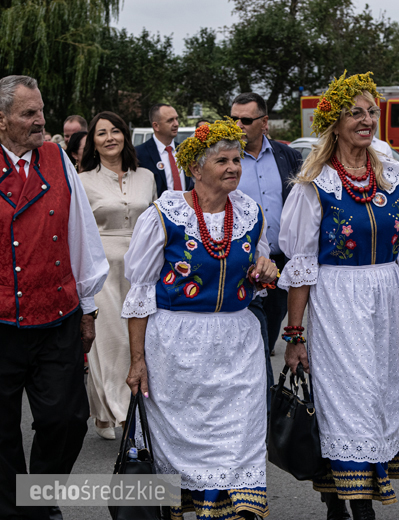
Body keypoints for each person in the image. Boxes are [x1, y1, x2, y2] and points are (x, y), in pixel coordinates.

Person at [278, 71, 399, 520]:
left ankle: (337, 494)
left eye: (372, 111)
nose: (366, 120)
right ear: (334, 123)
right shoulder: (315, 184)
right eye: (355, 112)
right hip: (337, 301)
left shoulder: (394, 177)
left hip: (387, 301)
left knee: (378, 395)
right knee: (347, 398)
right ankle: (361, 505)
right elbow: (302, 267)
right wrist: (295, 335)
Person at [123, 118, 277, 520]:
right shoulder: (165, 214)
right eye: (222, 161)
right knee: (178, 441)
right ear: (196, 168)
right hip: (177, 345)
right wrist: (137, 360)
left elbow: (258, 267)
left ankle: (237, 509)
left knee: (241, 436)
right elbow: (140, 293)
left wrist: (266, 269)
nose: (233, 167)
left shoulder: (250, 213)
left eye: (236, 160)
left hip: (237, 341)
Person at [0, 75, 108, 520]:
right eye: (28, 113)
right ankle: (17, 510)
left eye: (41, 110)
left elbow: (81, 232)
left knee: (66, 420)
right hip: (2, 321)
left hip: (58, 315)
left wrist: (88, 308)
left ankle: (38, 498)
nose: (40, 120)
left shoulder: (57, 158)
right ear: (1, 119)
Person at [79, 111, 157, 441]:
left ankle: (106, 414)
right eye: (101, 133)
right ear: (93, 143)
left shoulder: (147, 176)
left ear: (125, 135)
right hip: (102, 272)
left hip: (142, 270)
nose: (110, 137)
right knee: (112, 344)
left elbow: (156, 222)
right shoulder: (82, 180)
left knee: (139, 343)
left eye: (115, 131)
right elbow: (78, 230)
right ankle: (127, 419)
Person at [231, 93, 302, 377]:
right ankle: (259, 391)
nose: (238, 125)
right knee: (252, 336)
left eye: (246, 120)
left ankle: (261, 384)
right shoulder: (225, 159)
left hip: (282, 261)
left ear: (264, 123)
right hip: (242, 264)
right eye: (233, 119)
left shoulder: (288, 156)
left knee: (271, 326)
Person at [135, 103, 193, 197]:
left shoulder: (185, 151)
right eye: (170, 120)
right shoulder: (140, 154)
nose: (176, 124)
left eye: (176, 119)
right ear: (156, 126)